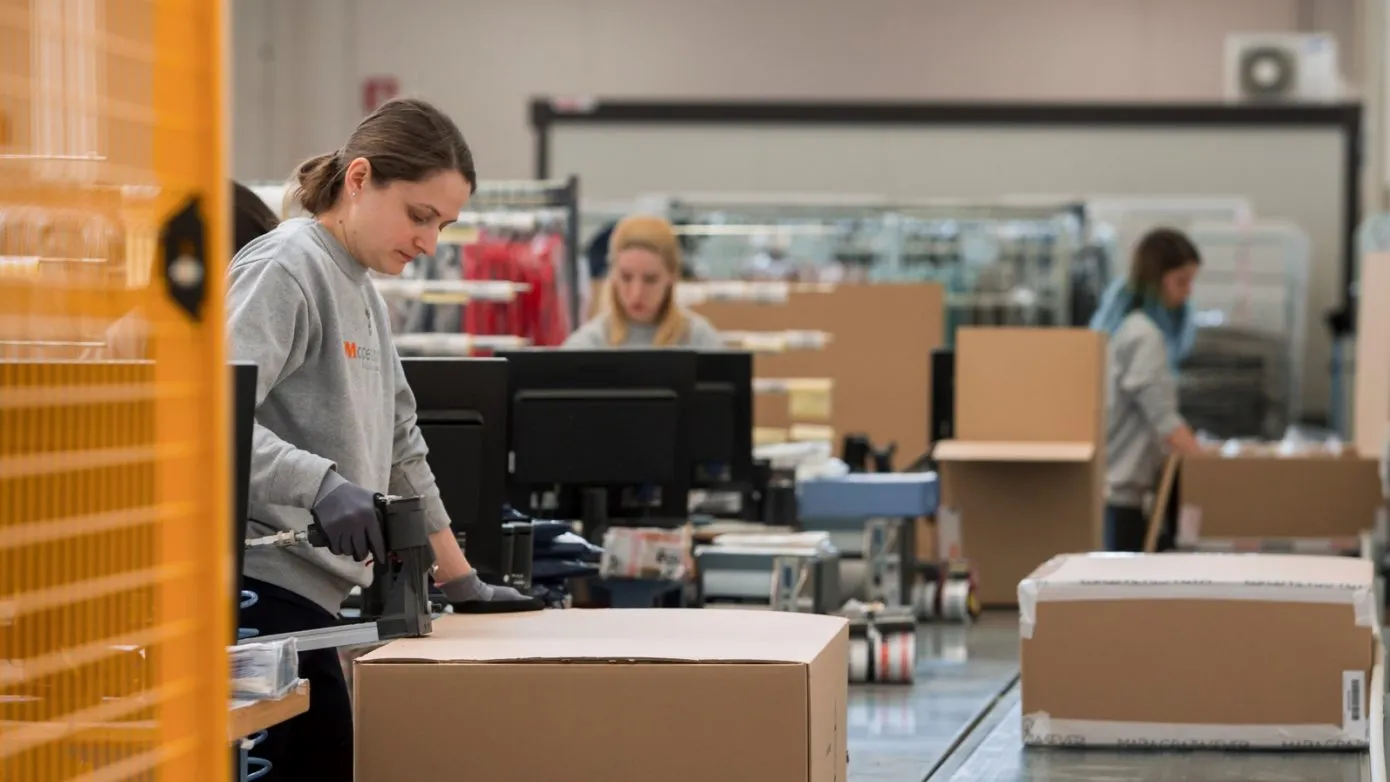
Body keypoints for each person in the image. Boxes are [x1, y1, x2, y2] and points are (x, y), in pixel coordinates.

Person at [229, 97, 538, 782]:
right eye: (420, 216)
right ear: (360, 179)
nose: (430, 242)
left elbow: (402, 445)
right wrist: (320, 484)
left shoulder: (361, 288)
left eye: (444, 225)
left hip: (314, 600)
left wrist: (461, 581)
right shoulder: (287, 269)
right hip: (257, 594)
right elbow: (206, 421)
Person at [1089, 227, 1203, 552]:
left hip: (1115, 485)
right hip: (1122, 490)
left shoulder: (1124, 327)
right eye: (1181, 281)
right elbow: (1164, 419)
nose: (1187, 293)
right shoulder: (1145, 336)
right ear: (1157, 279)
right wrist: (1211, 468)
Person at [563, 214, 723, 349]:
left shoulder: (701, 342)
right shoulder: (586, 345)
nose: (636, 292)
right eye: (626, 277)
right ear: (612, 275)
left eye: (650, 280)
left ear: (672, 277)